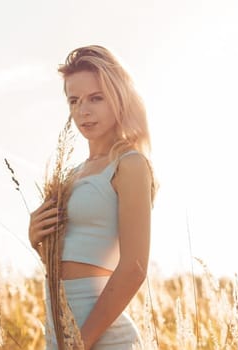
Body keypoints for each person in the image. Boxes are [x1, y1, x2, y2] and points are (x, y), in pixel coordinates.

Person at [27, 45, 158, 349]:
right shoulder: (70, 175)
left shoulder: (130, 165)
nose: (83, 111)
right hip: (60, 329)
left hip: (102, 336)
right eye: (74, 101)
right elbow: (66, 260)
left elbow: (134, 267)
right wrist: (36, 239)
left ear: (119, 98)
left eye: (96, 98)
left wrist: (82, 341)